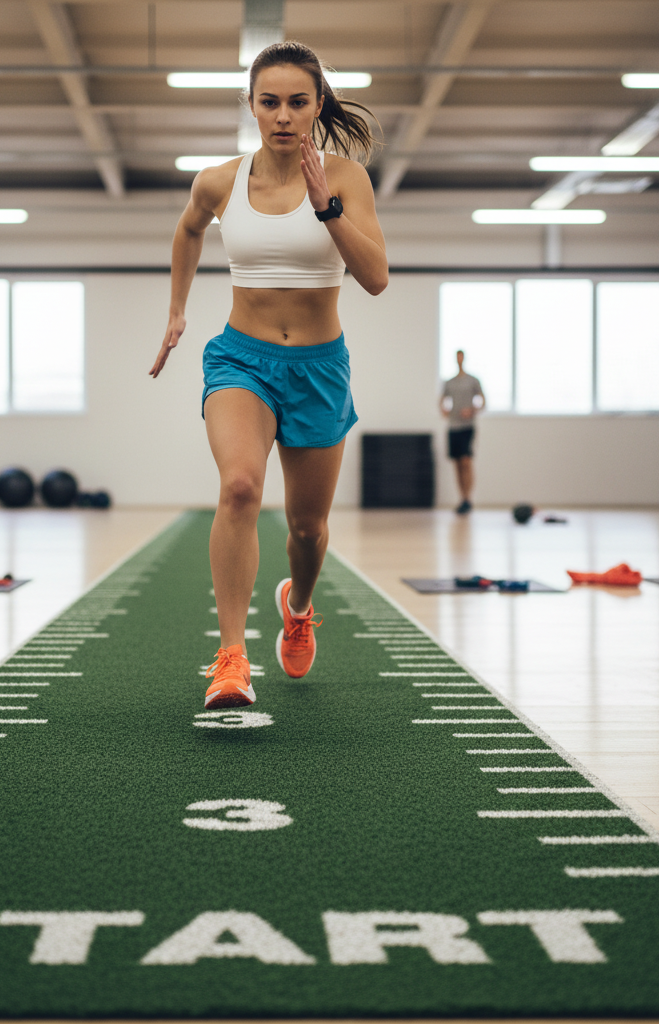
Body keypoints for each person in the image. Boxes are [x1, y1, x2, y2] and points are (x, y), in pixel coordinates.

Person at [149, 41, 388, 710]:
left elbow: (374, 279)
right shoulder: (220, 181)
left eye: (297, 102)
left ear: (317, 105)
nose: (283, 115)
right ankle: (231, 659)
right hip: (241, 359)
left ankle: (299, 605)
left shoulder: (344, 180)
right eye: (269, 102)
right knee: (241, 488)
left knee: (308, 530)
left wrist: (324, 206)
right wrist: (176, 309)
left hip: (318, 367)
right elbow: (189, 229)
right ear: (252, 106)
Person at [440, 349, 485, 514]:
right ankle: (462, 498)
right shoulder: (449, 382)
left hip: (467, 427)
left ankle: (468, 497)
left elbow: (483, 400)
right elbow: (442, 400)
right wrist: (444, 410)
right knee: (458, 464)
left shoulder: (473, 381)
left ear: (464, 359)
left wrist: (472, 410)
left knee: (466, 461)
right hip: (453, 427)